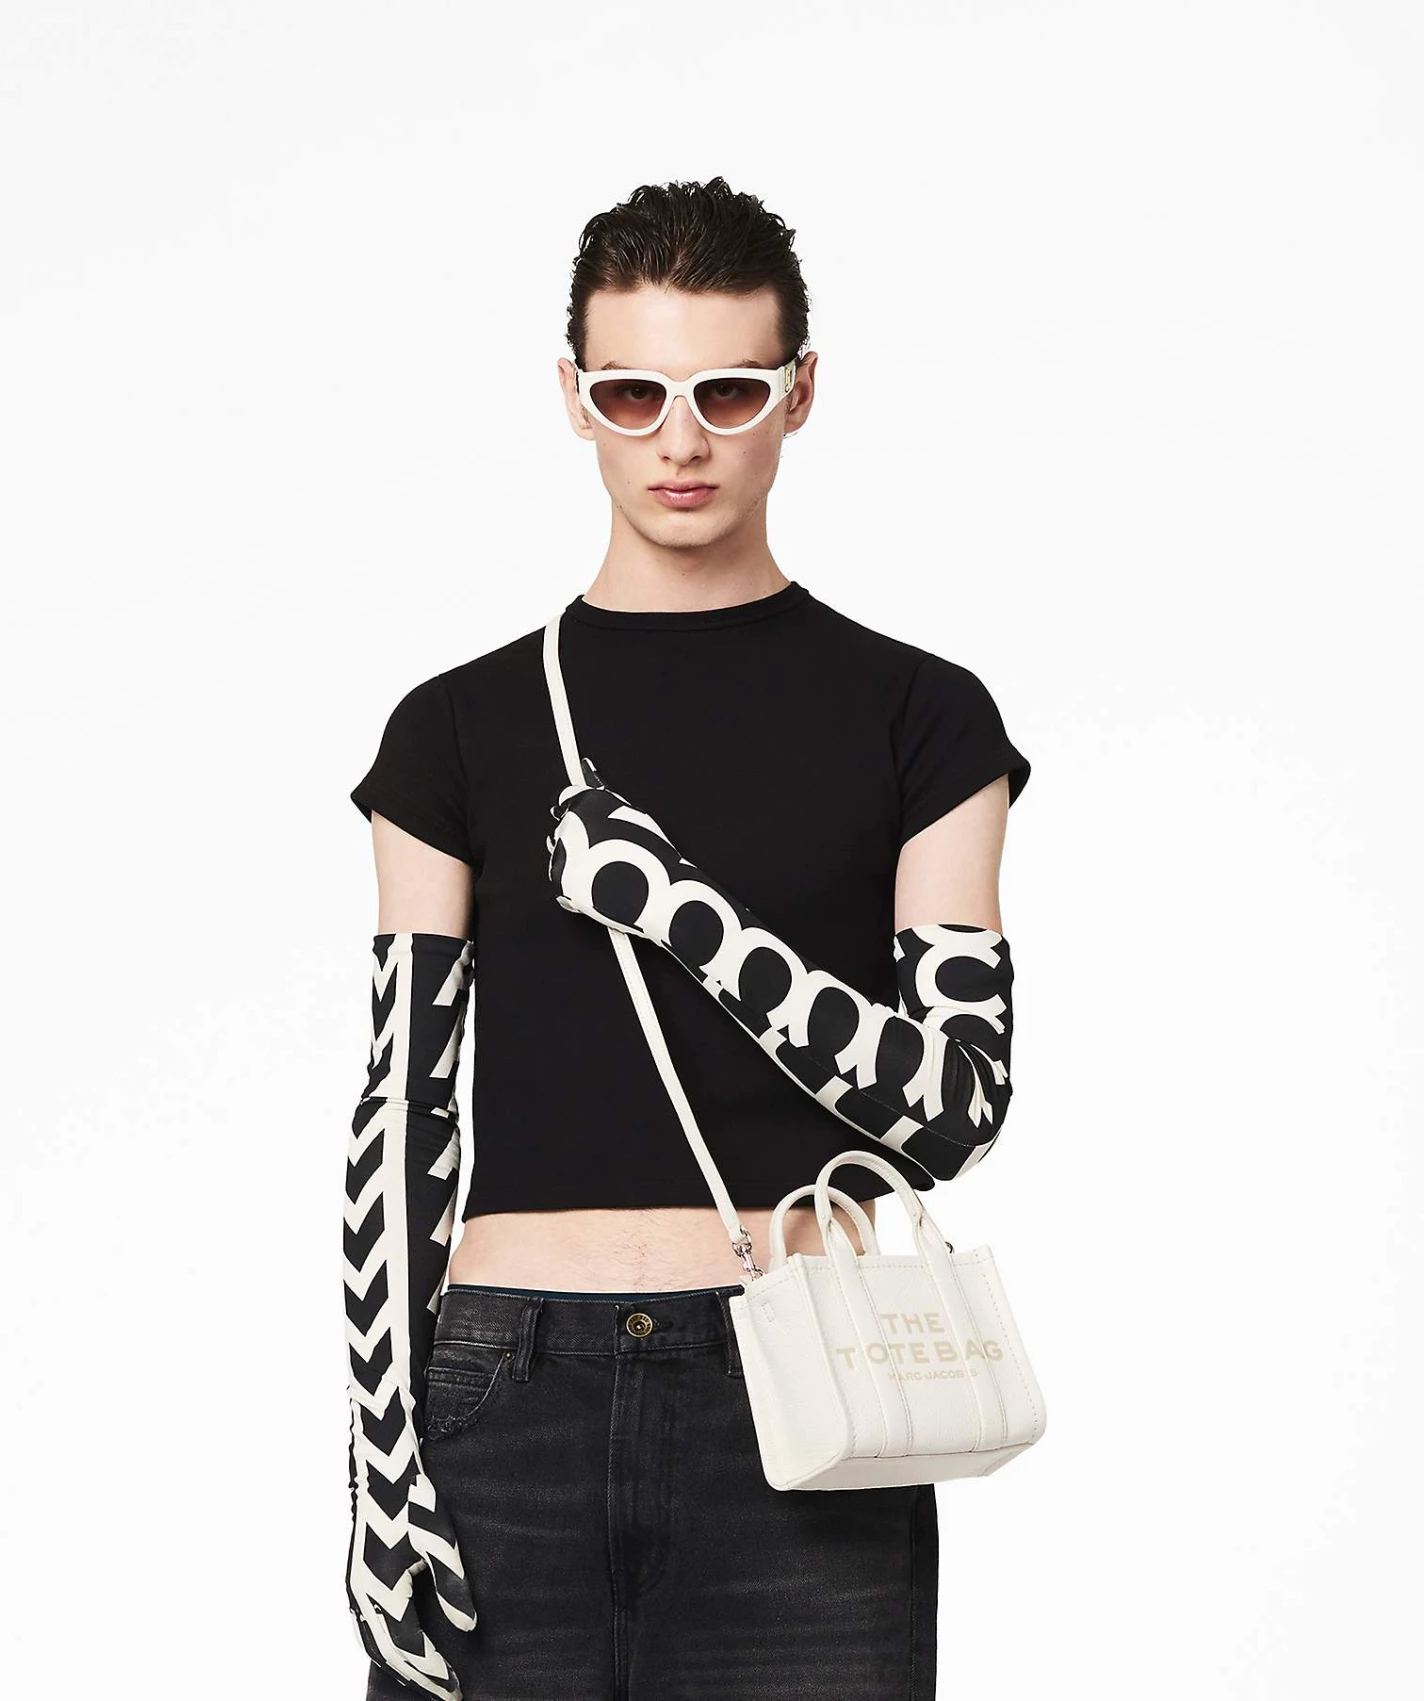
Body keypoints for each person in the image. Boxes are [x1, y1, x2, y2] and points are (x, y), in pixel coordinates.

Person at [342, 176, 1032, 1701]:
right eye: (632, 394)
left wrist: (681, 914)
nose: (680, 439)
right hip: (504, 1389)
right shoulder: (456, 729)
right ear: (574, 399)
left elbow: (953, 1108)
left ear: (798, 392)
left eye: (726, 391)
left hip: (802, 1403)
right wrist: (381, 1459)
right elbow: (402, 1114)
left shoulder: (923, 717)